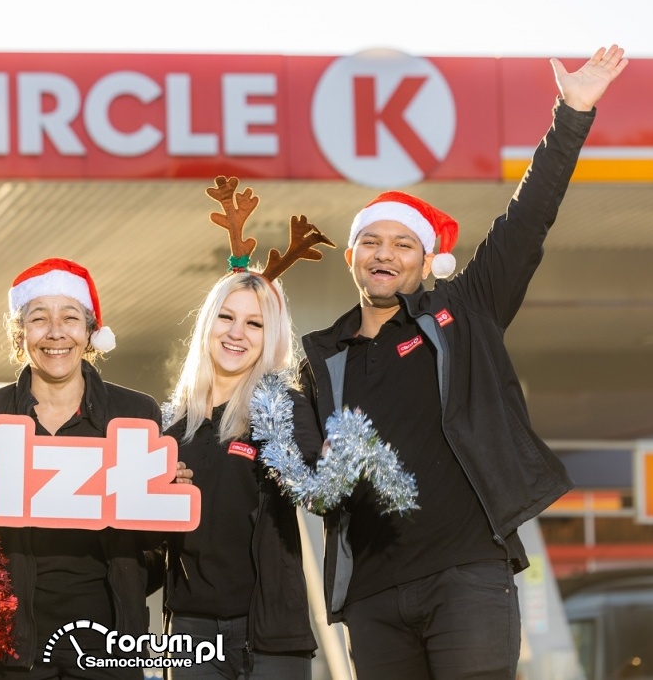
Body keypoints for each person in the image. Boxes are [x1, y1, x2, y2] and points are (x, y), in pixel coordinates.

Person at [298, 44, 628, 679]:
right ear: (351, 257)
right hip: (372, 595)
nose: (384, 253)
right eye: (370, 241)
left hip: (469, 575)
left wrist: (572, 113)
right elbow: (302, 466)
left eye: (402, 244)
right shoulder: (319, 358)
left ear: (426, 263)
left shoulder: (465, 310)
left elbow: (526, 222)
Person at [0, 257, 185, 680]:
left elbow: (154, 541)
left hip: (109, 645)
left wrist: (166, 496)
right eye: (38, 318)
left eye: (69, 317)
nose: (55, 333)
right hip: (13, 650)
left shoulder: (136, 412)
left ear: (89, 332)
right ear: (20, 333)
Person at [157, 178, 333, 679]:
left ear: (269, 336)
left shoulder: (280, 408)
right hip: (189, 636)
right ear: (207, 324)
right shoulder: (168, 426)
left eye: (254, 324)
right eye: (227, 317)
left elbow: (316, 480)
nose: (237, 333)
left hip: (269, 636)